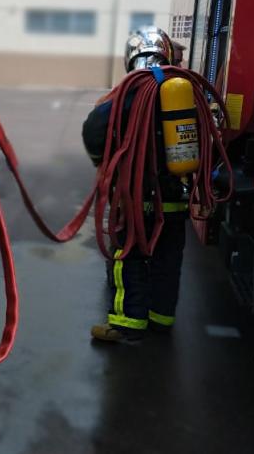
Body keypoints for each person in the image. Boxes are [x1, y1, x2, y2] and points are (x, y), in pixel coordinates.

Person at [82, 26, 189, 343]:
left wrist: (105, 162)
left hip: (134, 200)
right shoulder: (182, 94)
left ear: (131, 57)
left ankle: (128, 322)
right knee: (168, 264)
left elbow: (93, 131)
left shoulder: (124, 96)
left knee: (127, 257)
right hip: (173, 201)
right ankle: (161, 319)